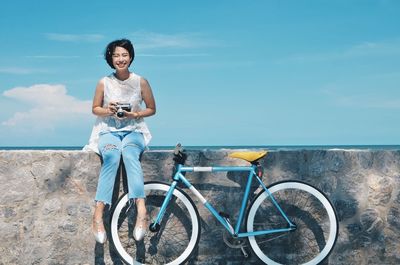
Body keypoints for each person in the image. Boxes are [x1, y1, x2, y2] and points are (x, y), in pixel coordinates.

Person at [83, 38, 156, 244]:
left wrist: (134, 114)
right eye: (116, 55)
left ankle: (141, 210)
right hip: (108, 131)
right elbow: (94, 109)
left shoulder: (141, 81)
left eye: (124, 55)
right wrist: (109, 110)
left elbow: (152, 108)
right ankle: (98, 216)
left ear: (131, 57)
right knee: (112, 156)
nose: (120, 59)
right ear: (110, 58)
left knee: (131, 154)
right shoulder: (103, 82)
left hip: (134, 130)